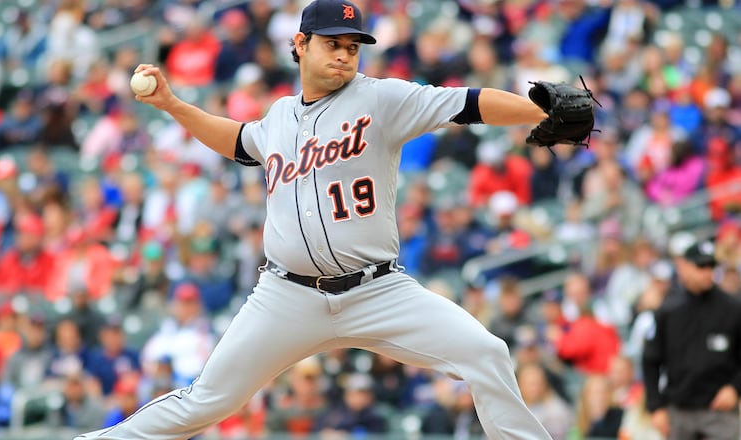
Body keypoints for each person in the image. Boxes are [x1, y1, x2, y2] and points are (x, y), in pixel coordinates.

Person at [74, 1, 560, 438]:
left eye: (353, 46)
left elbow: (469, 103)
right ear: (300, 44)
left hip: (378, 291)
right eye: (333, 44)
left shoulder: (380, 99)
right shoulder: (280, 117)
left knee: (487, 352)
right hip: (287, 296)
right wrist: (173, 104)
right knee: (207, 400)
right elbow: (240, 141)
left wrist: (538, 113)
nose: (345, 55)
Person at [642, 240, 741, 440]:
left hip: (719, 410)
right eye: (700, 266)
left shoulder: (733, 308)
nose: (706, 273)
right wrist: (656, 406)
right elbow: (650, 360)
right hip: (680, 409)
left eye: (711, 266)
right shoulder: (668, 310)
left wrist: (735, 387)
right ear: (684, 267)